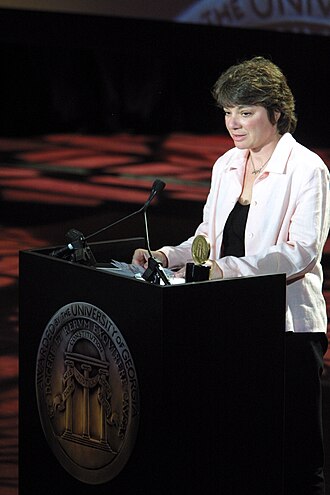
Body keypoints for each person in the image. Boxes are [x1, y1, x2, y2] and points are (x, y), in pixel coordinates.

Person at [132, 56, 330, 494]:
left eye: (245, 112)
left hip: (286, 328)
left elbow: (300, 252)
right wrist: (167, 256)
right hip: (229, 320)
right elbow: (208, 237)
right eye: (227, 111)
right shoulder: (226, 164)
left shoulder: (308, 169)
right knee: (238, 447)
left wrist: (226, 270)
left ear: (276, 114)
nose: (233, 123)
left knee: (297, 458)